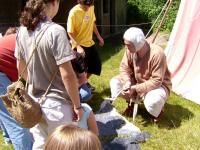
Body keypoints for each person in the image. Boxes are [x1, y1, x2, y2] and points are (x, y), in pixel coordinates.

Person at [15, 0, 84, 149]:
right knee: (63, 146)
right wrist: (78, 106)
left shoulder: (22, 30)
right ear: (54, 2)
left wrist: (36, 83)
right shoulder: (56, 31)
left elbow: (20, 68)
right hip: (57, 106)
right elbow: (68, 75)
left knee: (40, 145)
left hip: (33, 103)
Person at [109, 27, 172, 122]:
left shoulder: (157, 54)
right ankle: (131, 103)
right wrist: (127, 82)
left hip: (157, 86)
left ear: (137, 44)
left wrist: (135, 88)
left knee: (154, 101)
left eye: (128, 45)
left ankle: (157, 111)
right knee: (115, 83)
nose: (126, 47)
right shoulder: (130, 51)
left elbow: (157, 81)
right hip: (136, 81)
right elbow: (124, 68)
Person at [0, 27, 33, 149]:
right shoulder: (29, 41)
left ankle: (8, 137)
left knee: (4, 110)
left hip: (3, 71)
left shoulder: (15, 38)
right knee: (18, 120)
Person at [67, 0, 104, 91]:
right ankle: (78, 89)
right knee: (80, 70)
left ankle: (84, 83)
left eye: (89, 5)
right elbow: (70, 32)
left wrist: (99, 37)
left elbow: (92, 23)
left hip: (89, 42)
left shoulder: (91, 7)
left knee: (96, 65)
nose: (87, 8)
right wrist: (78, 46)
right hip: (78, 45)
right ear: (80, 2)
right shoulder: (74, 12)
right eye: (85, 6)